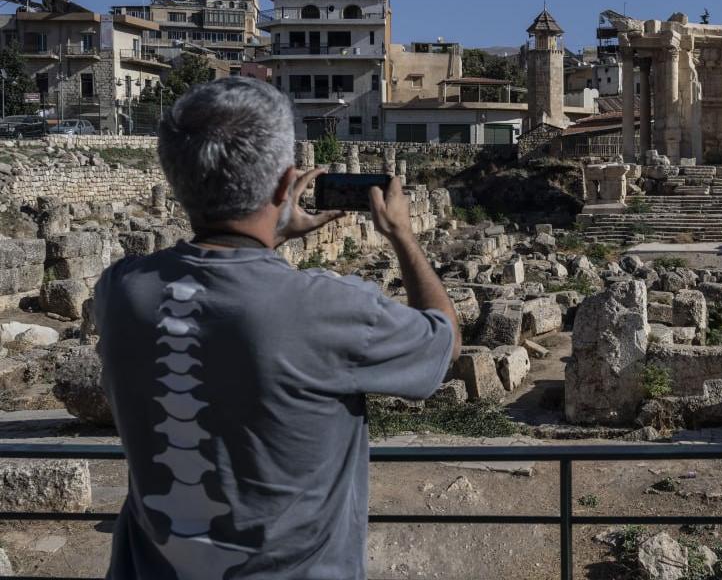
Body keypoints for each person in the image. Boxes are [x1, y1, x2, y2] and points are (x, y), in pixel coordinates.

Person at [95, 77, 460, 579]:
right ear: (287, 185)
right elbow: (443, 338)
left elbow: (226, 288)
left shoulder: (120, 291)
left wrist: (270, 233)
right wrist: (402, 235)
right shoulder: (328, 308)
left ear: (175, 177)